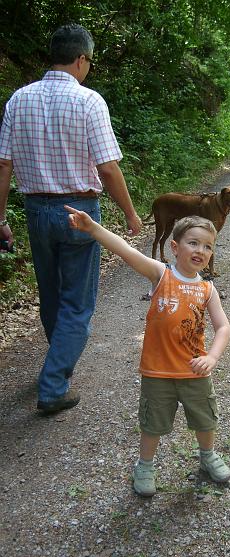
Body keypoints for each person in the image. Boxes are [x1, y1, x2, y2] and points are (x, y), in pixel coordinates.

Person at [0, 24, 142, 414]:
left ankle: (56, 363)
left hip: (35, 210)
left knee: (51, 292)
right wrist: (130, 213)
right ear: (81, 59)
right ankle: (53, 385)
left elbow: (4, 165)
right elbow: (109, 169)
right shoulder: (89, 101)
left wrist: (0, 220)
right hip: (79, 211)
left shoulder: (18, 99)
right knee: (77, 303)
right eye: (90, 63)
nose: (88, 69)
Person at [65, 206, 230, 494]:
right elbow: (127, 252)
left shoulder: (207, 289)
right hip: (157, 372)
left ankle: (207, 455)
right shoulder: (161, 275)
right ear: (175, 247)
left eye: (207, 246)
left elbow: (224, 327)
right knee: (152, 424)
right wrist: (93, 229)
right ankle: (145, 465)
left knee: (205, 419)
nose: (201, 250)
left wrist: (212, 356)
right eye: (193, 243)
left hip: (194, 371)